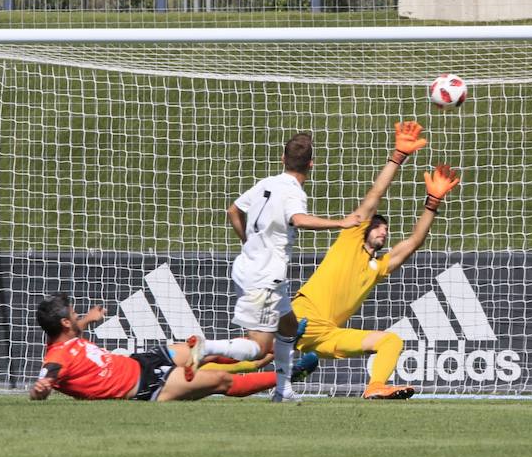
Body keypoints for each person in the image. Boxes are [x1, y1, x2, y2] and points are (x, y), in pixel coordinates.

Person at [291, 122, 460, 400]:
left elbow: (414, 242)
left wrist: (432, 202)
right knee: (254, 354)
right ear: (365, 228)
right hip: (302, 318)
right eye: (378, 226)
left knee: (391, 341)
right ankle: (219, 367)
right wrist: (398, 156)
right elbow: (375, 196)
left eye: (386, 229)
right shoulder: (350, 237)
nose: (384, 231)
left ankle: (376, 386)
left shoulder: (379, 267)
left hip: (329, 335)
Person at [207, 132, 360, 402]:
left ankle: (283, 390)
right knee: (259, 347)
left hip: (248, 266)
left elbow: (233, 210)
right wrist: (340, 223)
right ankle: (203, 348)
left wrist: (248, 242)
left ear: (282, 159)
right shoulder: (294, 193)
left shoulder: (267, 182)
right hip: (265, 275)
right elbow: (299, 219)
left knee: (289, 328)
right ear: (311, 164)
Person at [29, 292, 283, 402]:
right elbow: (47, 378)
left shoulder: (66, 338)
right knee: (221, 380)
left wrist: (87, 319)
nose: (77, 315)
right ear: (65, 323)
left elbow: (73, 336)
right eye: (74, 314)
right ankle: (287, 375)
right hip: (147, 386)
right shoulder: (57, 357)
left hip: (141, 361)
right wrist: (40, 390)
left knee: (207, 351)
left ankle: (272, 353)